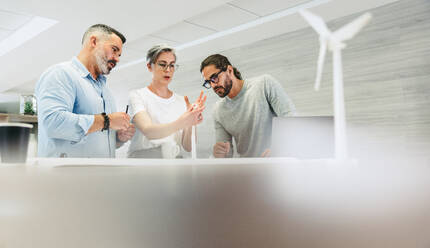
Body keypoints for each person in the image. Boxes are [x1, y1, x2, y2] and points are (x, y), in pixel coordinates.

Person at [35, 24, 135, 158]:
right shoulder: (61, 74)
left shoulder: (105, 90)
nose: (117, 59)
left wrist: (118, 138)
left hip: (101, 175)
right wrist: (107, 121)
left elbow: (97, 137)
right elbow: (53, 123)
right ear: (93, 42)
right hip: (66, 176)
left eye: (119, 55)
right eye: (114, 49)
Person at [200, 54, 296, 158]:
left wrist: (278, 149)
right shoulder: (218, 110)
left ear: (229, 70)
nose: (213, 85)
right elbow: (226, 155)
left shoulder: (264, 84)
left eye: (214, 78)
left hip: (277, 164)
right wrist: (219, 153)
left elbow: (291, 119)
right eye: (208, 82)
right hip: (247, 169)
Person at [127, 44, 206, 158]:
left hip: (173, 163)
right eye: (162, 64)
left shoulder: (181, 101)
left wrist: (191, 121)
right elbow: (149, 131)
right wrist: (183, 121)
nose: (168, 70)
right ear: (150, 66)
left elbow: (188, 147)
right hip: (144, 163)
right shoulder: (137, 95)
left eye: (172, 65)